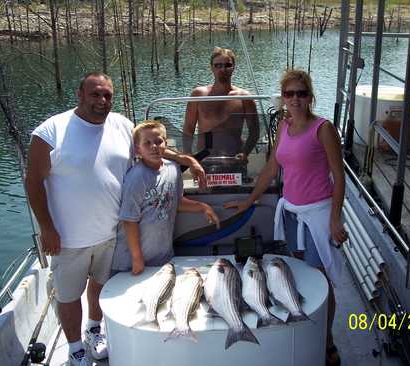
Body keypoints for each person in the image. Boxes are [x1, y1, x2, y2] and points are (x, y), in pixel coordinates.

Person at [25, 72, 206, 366]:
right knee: (70, 295)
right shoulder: (50, 131)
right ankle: (74, 348)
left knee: (99, 285)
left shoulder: (121, 125)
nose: (102, 101)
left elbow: (152, 146)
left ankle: (94, 331)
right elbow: (32, 181)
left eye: (107, 95)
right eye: (95, 94)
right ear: (80, 94)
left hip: (113, 234)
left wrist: (187, 160)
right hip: (68, 238)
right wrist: (47, 227)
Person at [224, 69, 345, 366]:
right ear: (282, 98)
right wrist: (247, 202)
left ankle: (327, 340)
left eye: (301, 93)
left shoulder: (324, 129)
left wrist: (334, 219)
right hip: (291, 213)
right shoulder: (284, 127)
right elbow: (270, 169)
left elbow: (339, 177)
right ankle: (304, 324)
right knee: (300, 272)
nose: (295, 99)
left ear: (310, 96)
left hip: (317, 215)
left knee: (322, 279)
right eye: (289, 94)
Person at [111, 121, 220, 275]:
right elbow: (129, 221)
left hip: (162, 257)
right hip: (131, 261)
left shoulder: (173, 169)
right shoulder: (136, 178)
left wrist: (203, 207)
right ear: (137, 149)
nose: (154, 147)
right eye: (147, 143)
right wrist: (137, 258)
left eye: (158, 141)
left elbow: (176, 202)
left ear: (166, 144)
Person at [182, 47, 260, 161]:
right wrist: (188, 156)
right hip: (205, 158)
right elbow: (188, 129)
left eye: (227, 65)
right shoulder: (198, 95)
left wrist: (245, 153)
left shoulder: (244, 97)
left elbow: (254, 131)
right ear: (211, 68)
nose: (223, 69)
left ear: (234, 67)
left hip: (235, 158)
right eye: (218, 65)